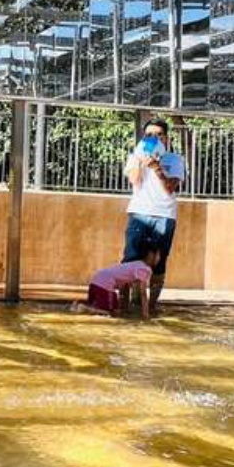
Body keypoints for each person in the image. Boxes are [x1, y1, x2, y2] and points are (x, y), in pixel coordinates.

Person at [123, 118, 188, 313]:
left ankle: (152, 306)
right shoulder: (135, 156)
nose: (154, 138)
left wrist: (157, 167)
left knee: (158, 259)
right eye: (149, 135)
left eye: (158, 135)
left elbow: (170, 188)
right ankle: (127, 304)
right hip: (139, 212)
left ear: (166, 138)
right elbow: (134, 179)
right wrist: (141, 160)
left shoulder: (175, 160)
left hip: (164, 215)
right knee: (131, 258)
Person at [72, 247, 160, 319]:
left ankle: (78, 305)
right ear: (150, 256)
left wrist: (124, 307)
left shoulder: (136, 264)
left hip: (96, 281)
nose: (159, 258)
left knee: (113, 309)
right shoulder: (144, 269)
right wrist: (146, 315)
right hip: (105, 284)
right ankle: (86, 309)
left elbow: (125, 286)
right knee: (111, 313)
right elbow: (143, 293)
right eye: (158, 255)